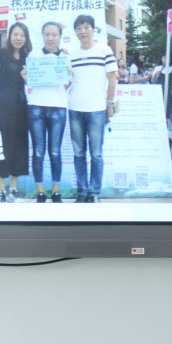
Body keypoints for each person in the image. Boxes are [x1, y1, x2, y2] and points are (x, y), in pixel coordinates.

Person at [68, 14, 118, 203]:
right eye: (79, 28)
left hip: (97, 109)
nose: (83, 31)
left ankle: (95, 192)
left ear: (93, 29)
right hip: (74, 109)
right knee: (78, 153)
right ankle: (82, 191)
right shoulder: (71, 55)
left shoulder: (104, 50)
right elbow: (67, 84)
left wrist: (109, 104)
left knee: (96, 154)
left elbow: (112, 79)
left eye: (86, 27)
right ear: (75, 32)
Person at [0, 23, 31, 202]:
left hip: (22, 104)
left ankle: (13, 189)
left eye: (22, 35)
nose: (18, 38)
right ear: (9, 36)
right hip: (4, 102)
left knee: (19, 146)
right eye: (15, 34)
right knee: (3, 146)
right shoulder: (0, 54)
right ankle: (1, 191)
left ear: (26, 38)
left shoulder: (27, 57)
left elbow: (32, 81)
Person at [26, 22, 69, 203]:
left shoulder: (66, 57)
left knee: (55, 152)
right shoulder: (33, 55)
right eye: (47, 34)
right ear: (42, 35)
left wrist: (69, 74)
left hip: (58, 106)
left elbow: (67, 85)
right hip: (36, 106)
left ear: (60, 36)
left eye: (54, 34)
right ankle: (41, 191)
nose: (50, 38)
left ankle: (56, 191)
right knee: (38, 151)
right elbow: (29, 80)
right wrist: (25, 76)